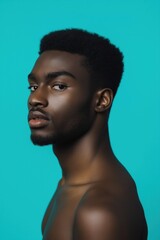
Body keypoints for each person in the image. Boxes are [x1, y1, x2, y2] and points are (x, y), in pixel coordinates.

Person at [27, 28, 148, 240]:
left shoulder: (99, 212)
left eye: (59, 86)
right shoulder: (69, 184)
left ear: (101, 101)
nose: (35, 98)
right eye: (33, 86)